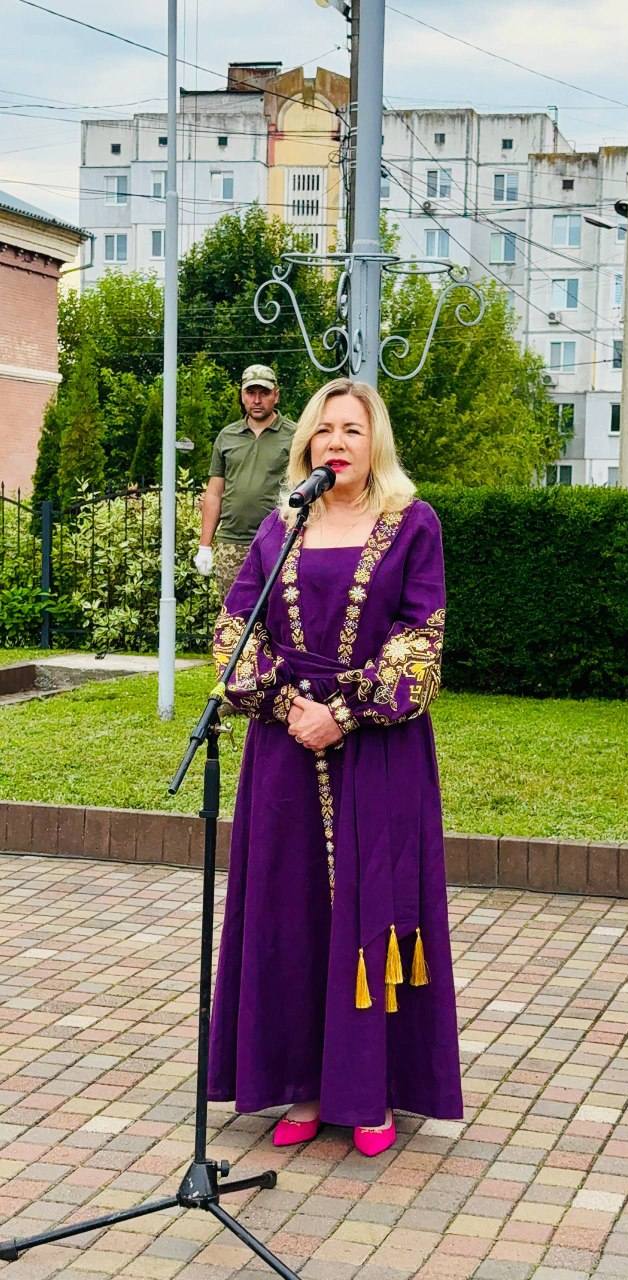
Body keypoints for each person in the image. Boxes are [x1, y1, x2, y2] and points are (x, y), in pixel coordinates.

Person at [208, 377, 462, 1157]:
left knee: (371, 908)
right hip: (285, 752)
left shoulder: (412, 523)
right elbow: (234, 631)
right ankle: (304, 1087)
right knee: (291, 913)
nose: (338, 443)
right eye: (325, 430)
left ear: (374, 440)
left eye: (352, 429)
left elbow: (421, 642)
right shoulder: (281, 525)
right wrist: (292, 708)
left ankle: (371, 1090)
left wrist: (342, 712)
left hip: (380, 752)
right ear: (306, 444)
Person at [194, 364, 296, 600]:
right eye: (251, 393)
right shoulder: (227, 436)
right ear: (242, 395)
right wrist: (205, 546)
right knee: (234, 614)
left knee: (279, 613)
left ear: (276, 395)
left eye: (264, 393)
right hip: (232, 543)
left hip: (279, 541)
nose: (257, 400)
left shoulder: (295, 436)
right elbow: (214, 493)